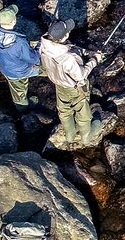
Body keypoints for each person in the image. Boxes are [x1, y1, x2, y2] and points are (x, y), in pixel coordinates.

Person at [39, 20, 105, 148]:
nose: (69, 32)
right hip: (75, 88)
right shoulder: (68, 58)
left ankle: (70, 135)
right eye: (67, 31)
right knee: (83, 113)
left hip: (59, 86)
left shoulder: (45, 45)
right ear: (64, 36)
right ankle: (86, 137)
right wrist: (94, 60)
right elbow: (81, 75)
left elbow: (69, 48)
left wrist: (86, 52)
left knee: (64, 111)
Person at [0, 6, 42, 111]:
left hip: (6, 70)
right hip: (22, 71)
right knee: (47, 68)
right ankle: (25, 112)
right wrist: (39, 47)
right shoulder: (19, 42)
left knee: (18, 93)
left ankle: (21, 109)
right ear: (14, 21)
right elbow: (34, 59)